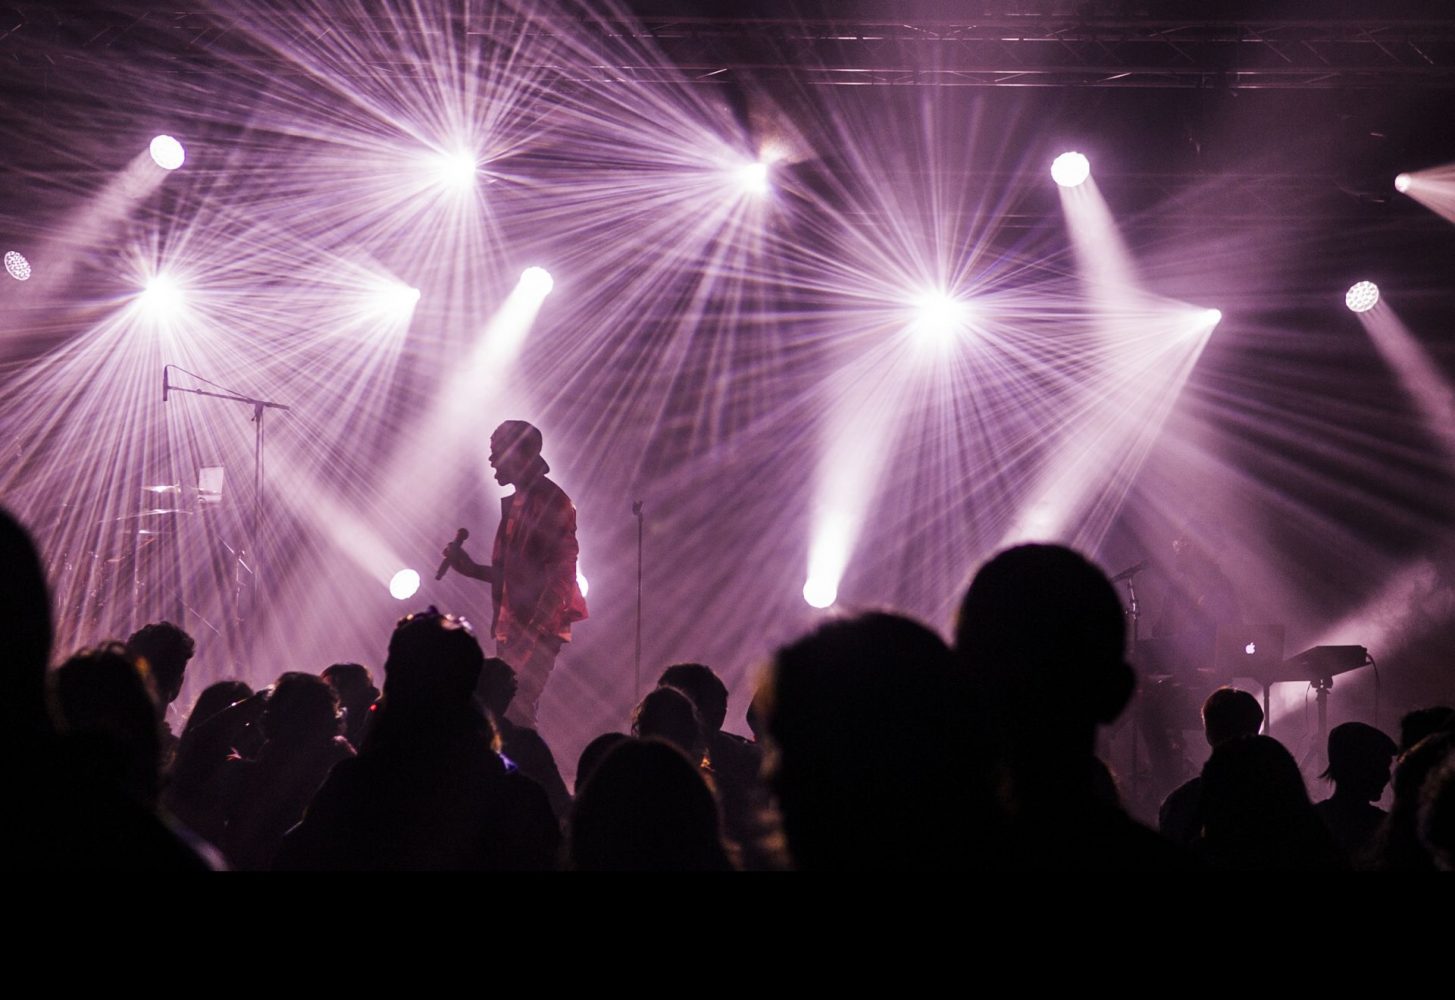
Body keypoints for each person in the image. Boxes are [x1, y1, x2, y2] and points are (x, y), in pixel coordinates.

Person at [442, 420, 586, 727]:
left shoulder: (552, 502)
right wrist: (469, 569)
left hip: (535, 629)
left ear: (522, 454)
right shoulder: (519, 502)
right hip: (515, 626)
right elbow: (518, 577)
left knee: (514, 714)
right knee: (502, 714)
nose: (492, 461)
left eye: (497, 452)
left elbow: (561, 576)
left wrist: (532, 633)